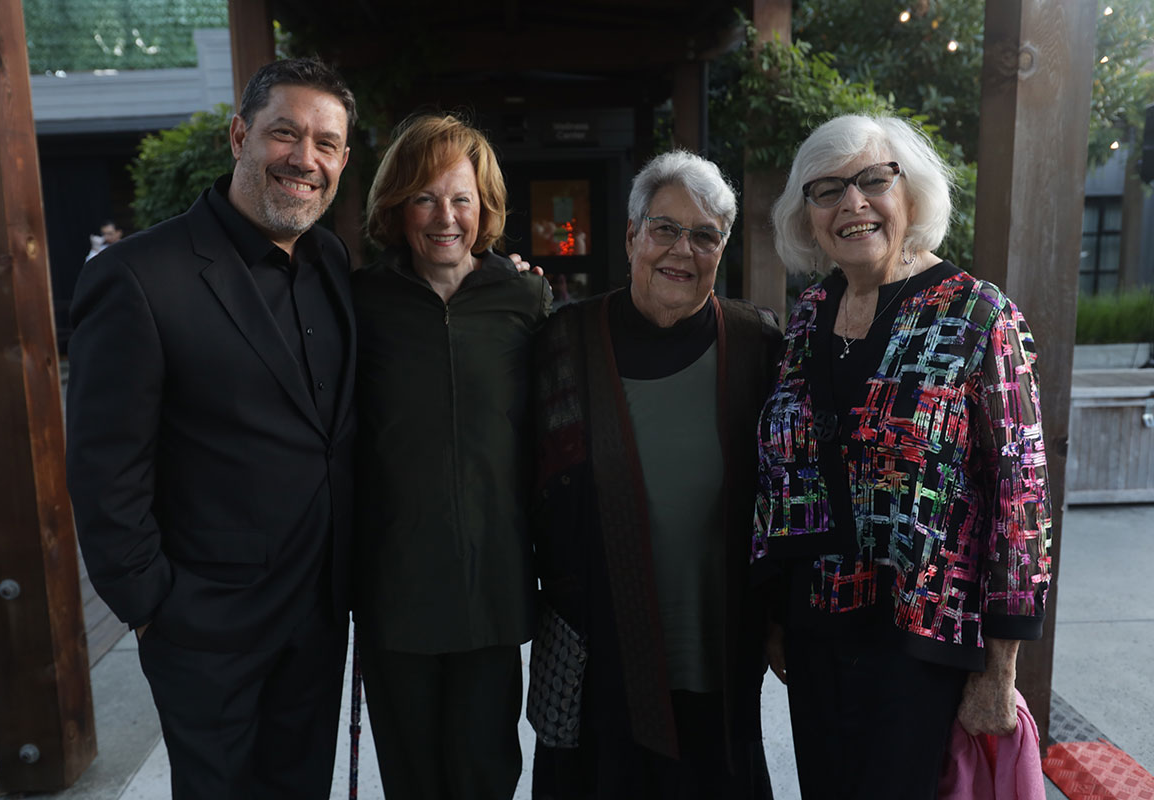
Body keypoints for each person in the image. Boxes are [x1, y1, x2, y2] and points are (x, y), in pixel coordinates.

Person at [66, 57, 358, 800]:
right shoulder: (137, 277)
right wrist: (153, 608)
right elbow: (105, 471)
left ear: (344, 161)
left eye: (326, 143)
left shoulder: (332, 261)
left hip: (320, 613)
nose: (305, 158)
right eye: (284, 133)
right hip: (205, 625)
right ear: (240, 135)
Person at [755, 113, 1054, 800]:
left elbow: (1023, 492)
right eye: (827, 189)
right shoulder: (808, 315)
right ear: (808, 214)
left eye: (872, 180)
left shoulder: (978, 315)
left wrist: (1000, 667)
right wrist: (775, 610)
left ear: (909, 191)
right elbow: (780, 472)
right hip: (817, 631)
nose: (852, 203)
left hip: (924, 639)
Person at [530, 150, 781, 799]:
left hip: (718, 650)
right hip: (593, 653)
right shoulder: (564, 340)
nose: (682, 249)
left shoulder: (758, 345)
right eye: (665, 228)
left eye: (705, 235)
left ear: (722, 249)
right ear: (631, 236)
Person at [351, 114, 551, 800]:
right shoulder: (360, 303)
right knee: (412, 776)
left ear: (484, 208)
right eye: (425, 198)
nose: (445, 217)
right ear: (396, 207)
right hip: (393, 583)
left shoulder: (526, 296)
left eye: (461, 199)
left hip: (491, 580)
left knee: (486, 771)